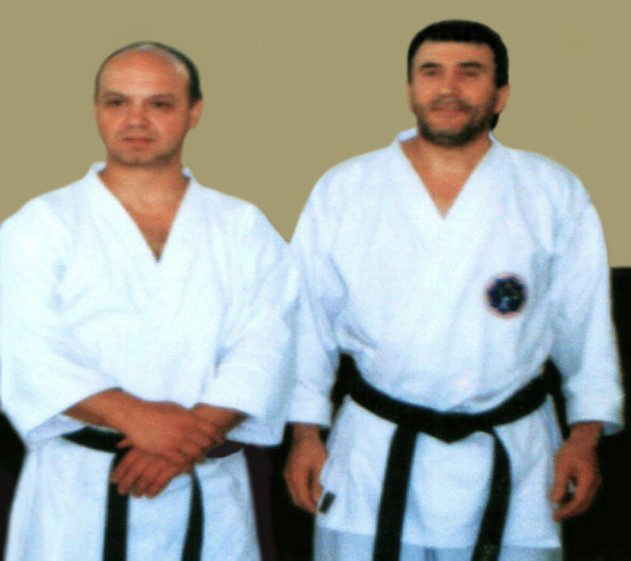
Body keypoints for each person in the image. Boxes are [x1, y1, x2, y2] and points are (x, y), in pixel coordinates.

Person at [283, 20, 623, 561]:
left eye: (470, 73)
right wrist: (305, 434)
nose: (448, 88)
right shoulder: (346, 188)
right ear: (410, 90)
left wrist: (584, 436)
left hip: (512, 455)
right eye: (431, 72)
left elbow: (585, 324)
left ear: (501, 94)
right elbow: (307, 323)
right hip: (376, 454)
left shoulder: (551, 191)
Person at [0, 41, 297, 561]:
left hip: (206, 480)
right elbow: (21, 345)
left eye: (159, 103)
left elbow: (269, 342)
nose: (136, 120)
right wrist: (137, 417)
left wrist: (187, 439)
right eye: (117, 102)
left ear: (194, 112)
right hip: (81, 487)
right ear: (96, 109)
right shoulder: (41, 225)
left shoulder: (242, 227)